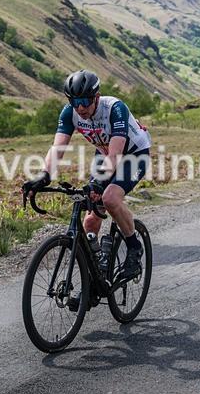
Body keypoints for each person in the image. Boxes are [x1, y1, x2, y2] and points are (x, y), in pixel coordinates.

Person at [22, 69, 152, 290]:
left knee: (109, 198)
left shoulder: (115, 109)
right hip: (105, 152)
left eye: (85, 100)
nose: (80, 107)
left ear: (97, 97)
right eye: (75, 101)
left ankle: (134, 246)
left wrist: (99, 183)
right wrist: (43, 177)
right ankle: (94, 268)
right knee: (91, 216)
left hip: (133, 154)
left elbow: (116, 155)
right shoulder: (69, 113)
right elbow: (57, 150)